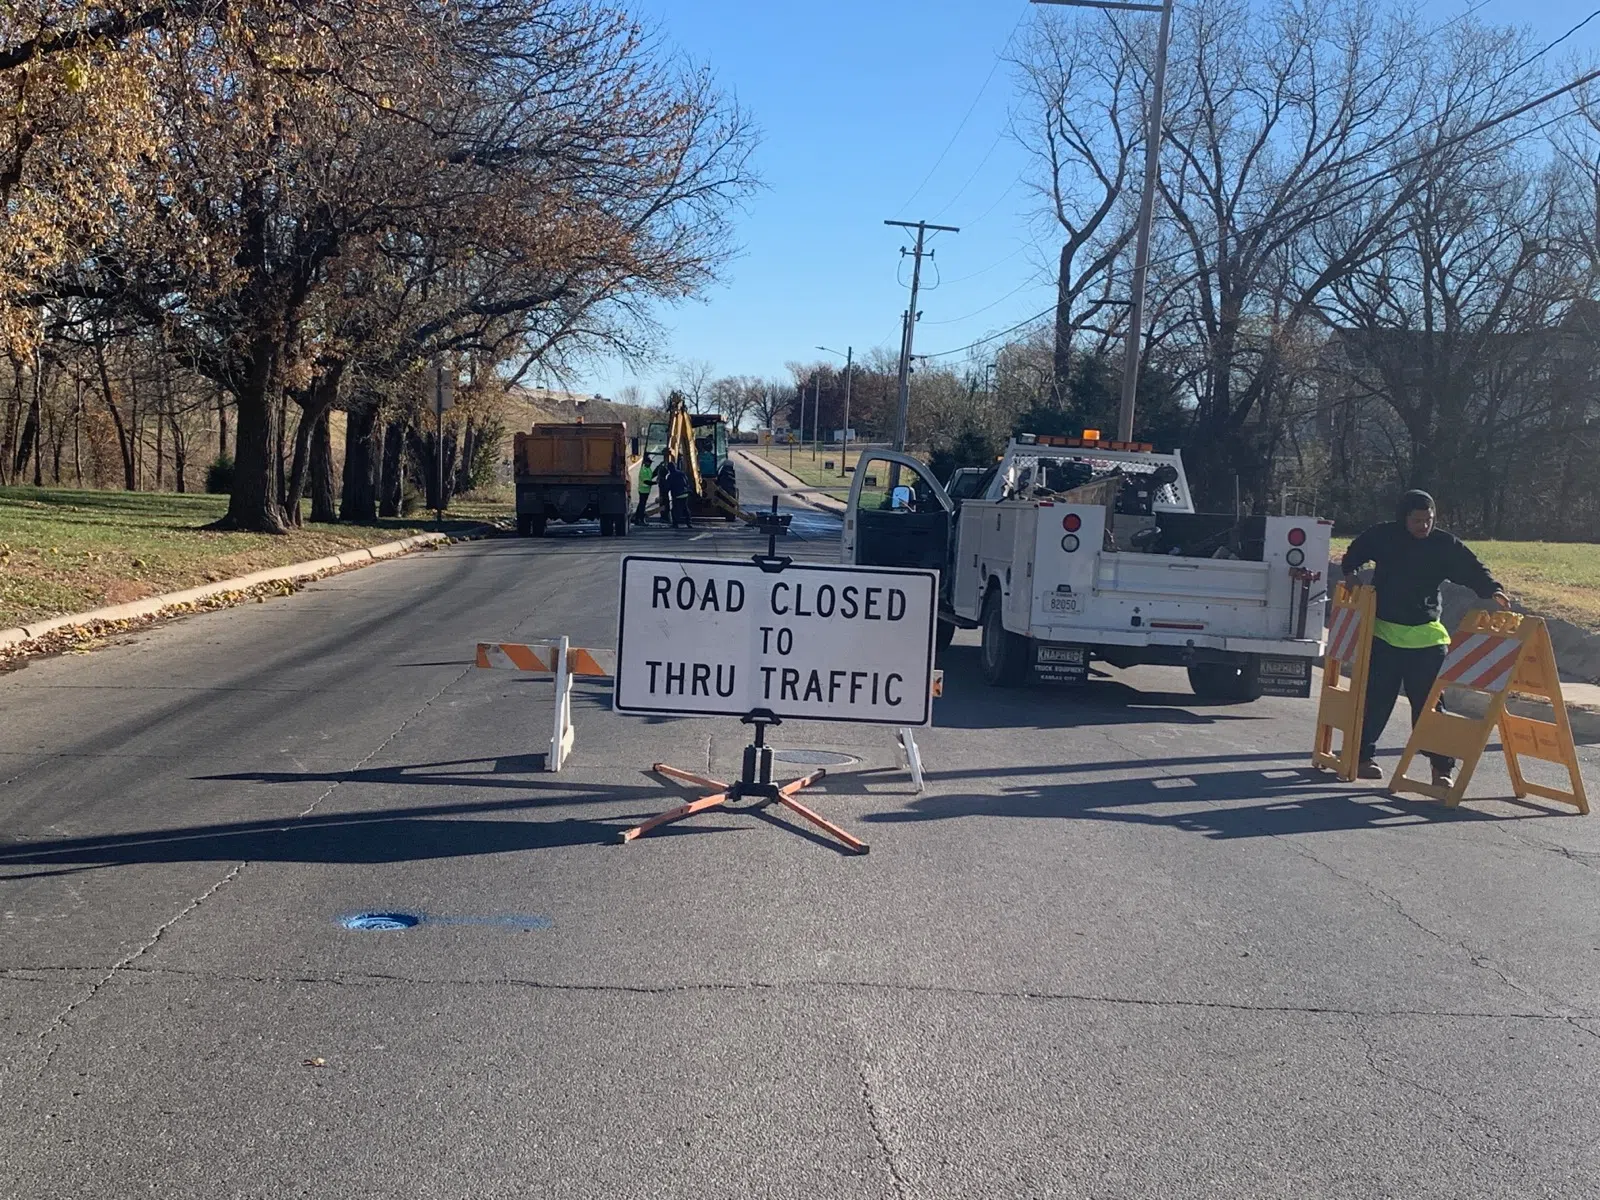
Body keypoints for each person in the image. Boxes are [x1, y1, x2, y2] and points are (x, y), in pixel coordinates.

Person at [1341, 490, 1509, 786]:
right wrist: (1352, 574)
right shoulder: (1384, 536)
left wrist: (1492, 589)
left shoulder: (1444, 545)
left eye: (1428, 520)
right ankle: (1362, 756)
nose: (1424, 526)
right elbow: (1354, 553)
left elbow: (1471, 568)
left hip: (1426, 638)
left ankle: (1441, 768)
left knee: (1430, 704)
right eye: (1417, 520)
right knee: (1378, 699)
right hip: (1385, 634)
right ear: (1403, 518)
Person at [661, 454, 691, 529]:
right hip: (685, 494)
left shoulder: (670, 476)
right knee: (685, 508)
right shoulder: (682, 473)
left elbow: (667, 487)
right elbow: (687, 482)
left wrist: (664, 492)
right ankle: (688, 523)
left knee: (675, 510)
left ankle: (675, 524)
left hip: (677, 495)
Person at [633, 453, 655, 525]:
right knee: (642, 506)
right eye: (649, 462)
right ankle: (640, 520)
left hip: (646, 490)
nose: (650, 464)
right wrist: (655, 483)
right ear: (645, 462)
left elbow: (652, 476)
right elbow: (647, 481)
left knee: (642, 505)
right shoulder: (643, 470)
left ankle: (638, 519)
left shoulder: (648, 469)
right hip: (643, 490)